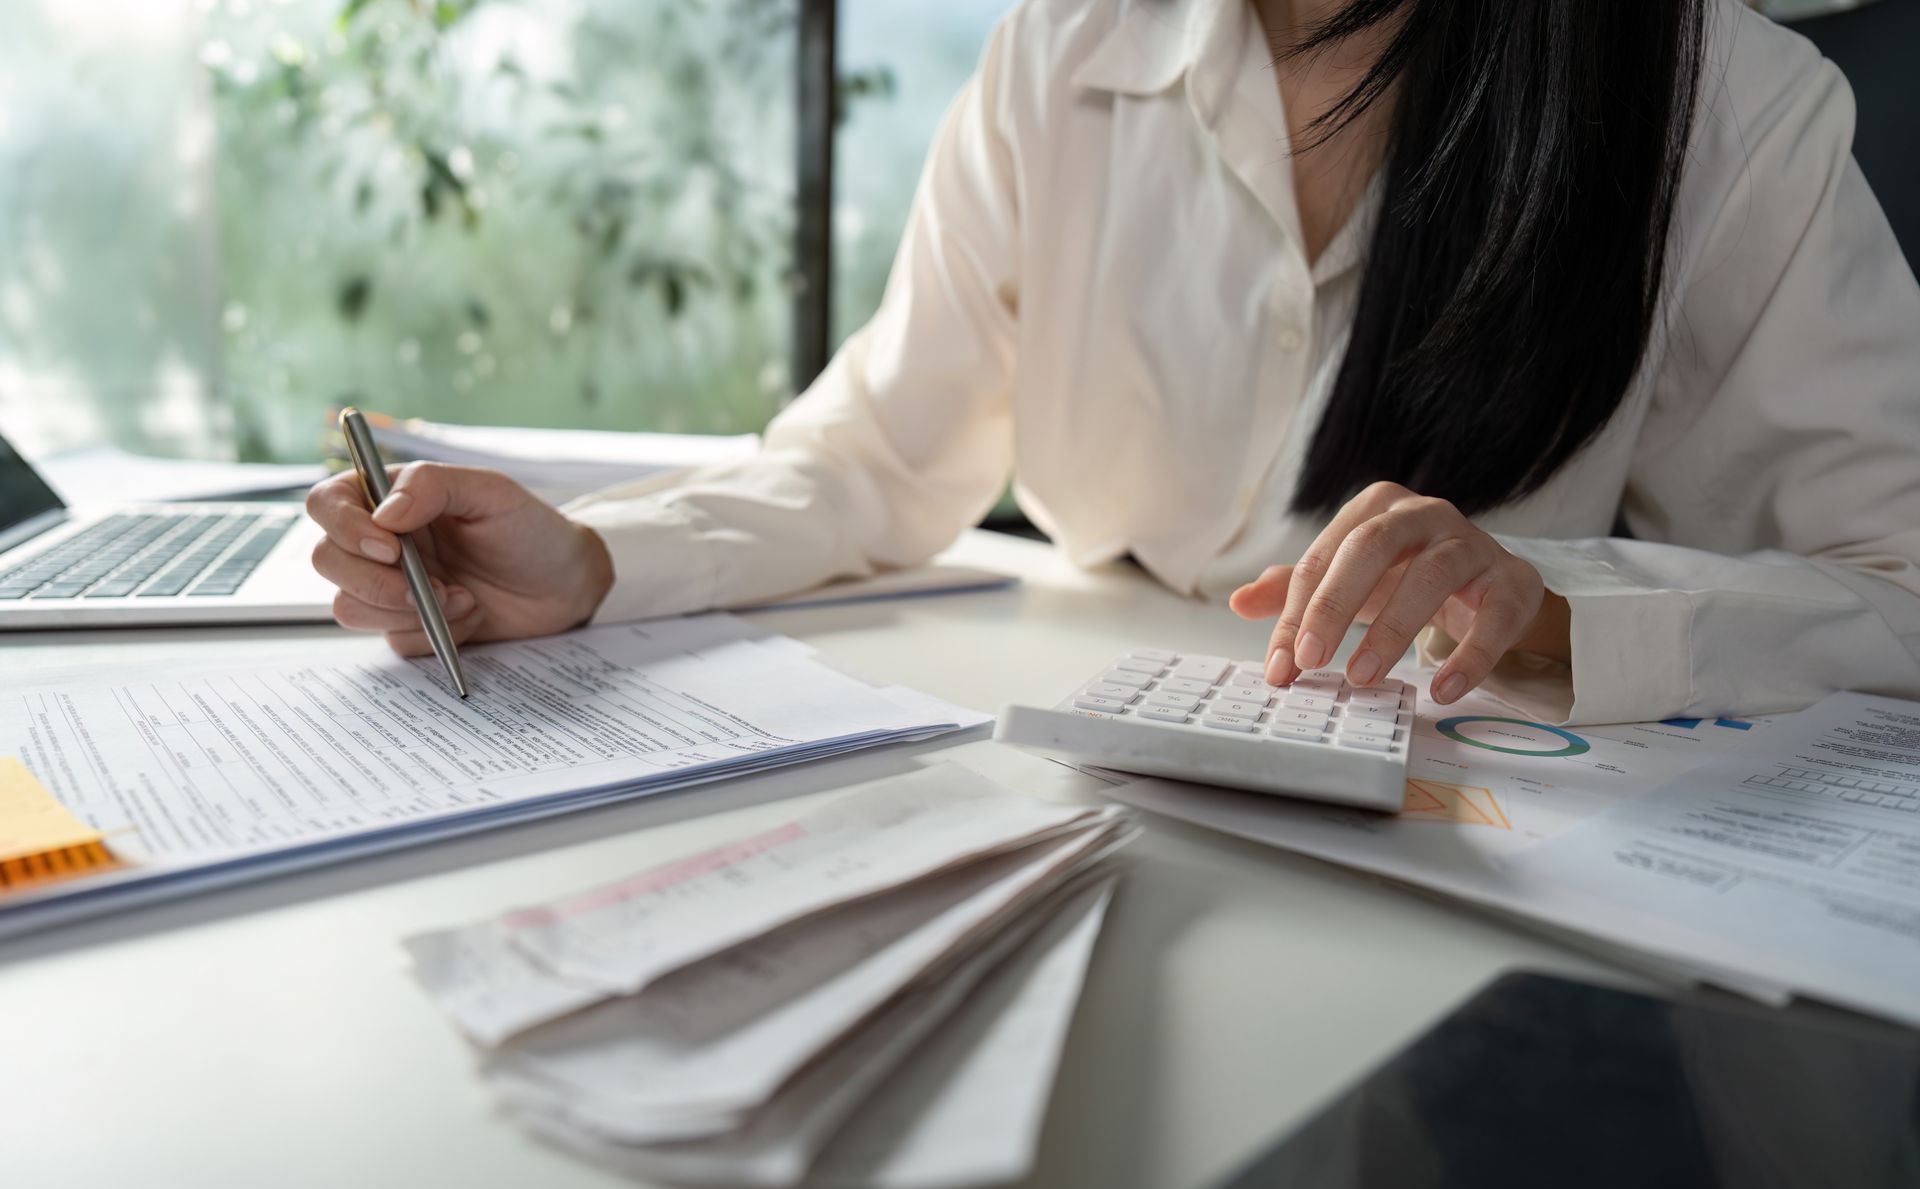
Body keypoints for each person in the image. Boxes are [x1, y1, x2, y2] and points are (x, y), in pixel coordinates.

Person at [304, 0, 1920, 725]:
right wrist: (590, 561)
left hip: (1478, 817)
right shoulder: (1064, 43)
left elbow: (1896, 579)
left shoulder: (1725, 105)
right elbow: (877, 452)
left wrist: (1561, 618)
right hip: (1086, 745)